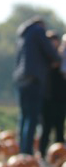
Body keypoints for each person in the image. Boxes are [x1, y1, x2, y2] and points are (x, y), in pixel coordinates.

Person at [13, 17, 61, 155]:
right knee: (32, 117)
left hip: (21, 79)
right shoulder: (38, 31)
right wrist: (57, 59)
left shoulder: (23, 35)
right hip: (34, 78)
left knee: (23, 116)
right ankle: (27, 152)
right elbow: (50, 52)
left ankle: (22, 149)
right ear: (41, 24)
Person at [39, 31, 66, 159]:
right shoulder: (44, 57)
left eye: (54, 39)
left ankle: (60, 157)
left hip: (61, 97)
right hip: (47, 98)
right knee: (46, 128)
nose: (53, 42)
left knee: (59, 127)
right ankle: (42, 153)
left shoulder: (61, 57)